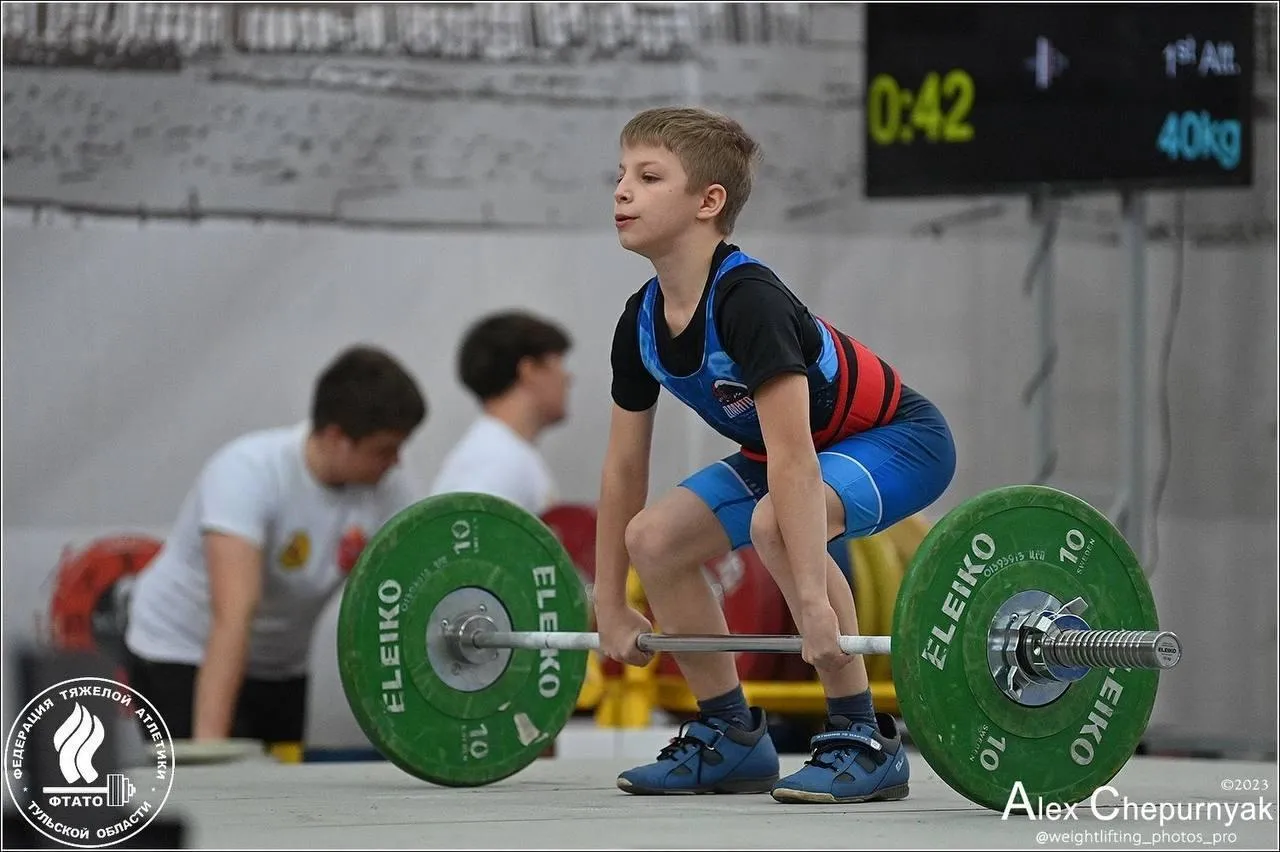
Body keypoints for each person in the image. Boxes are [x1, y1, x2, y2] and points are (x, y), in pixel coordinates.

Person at [594, 107, 957, 803]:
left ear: (708, 202)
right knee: (656, 538)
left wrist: (815, 605)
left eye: (647, 176)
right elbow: (622, 471)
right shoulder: (640, 321)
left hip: (897, 439)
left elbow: (792, 460)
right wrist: (611, 604)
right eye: (620, 175)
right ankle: (729, 736)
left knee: (774, 525)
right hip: (791, 452)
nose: (621, 191)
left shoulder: (749, 301)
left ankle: (863, 735)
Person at [123, 345, 428, 748]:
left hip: (280, 663)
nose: (396, 462)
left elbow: (420, 587)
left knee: (278, 796)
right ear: (337, 437)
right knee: (212, 792)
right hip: (183, 652)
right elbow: (234, 616)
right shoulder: (248, 472)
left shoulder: (386, 488)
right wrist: (208, 752)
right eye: (384, 449)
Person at [429, 310, 573, 517]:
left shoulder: (502, 453)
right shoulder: (496, 461)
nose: (568, 377)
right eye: (559, 364)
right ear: (529, 370)